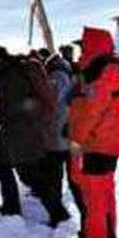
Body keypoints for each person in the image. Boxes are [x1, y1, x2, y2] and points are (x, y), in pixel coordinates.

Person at [67, 27, 119, 238]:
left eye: (83, 46)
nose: (80, 51)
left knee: (94, 193)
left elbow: (92, 110)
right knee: (103, 190)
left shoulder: (102, 73)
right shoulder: (106, 70)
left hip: (98, 142)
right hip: (106, 142)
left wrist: (77, 139)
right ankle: (106, 235)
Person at [0, 46, 60, 219]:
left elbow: (8, 107)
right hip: (15, 131)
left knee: (30, 176)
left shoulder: (10, 76)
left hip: (21, 133)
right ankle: (11, 207)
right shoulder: (14, 70)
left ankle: (58, 213)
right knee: (0, 167)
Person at [40, 49, 74, 226]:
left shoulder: (58, 75)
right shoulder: (66, 73)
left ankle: (57, 214)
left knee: (54, 174)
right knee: (61, 172)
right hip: (64, 131)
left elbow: (51, 99)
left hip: (57, 133)